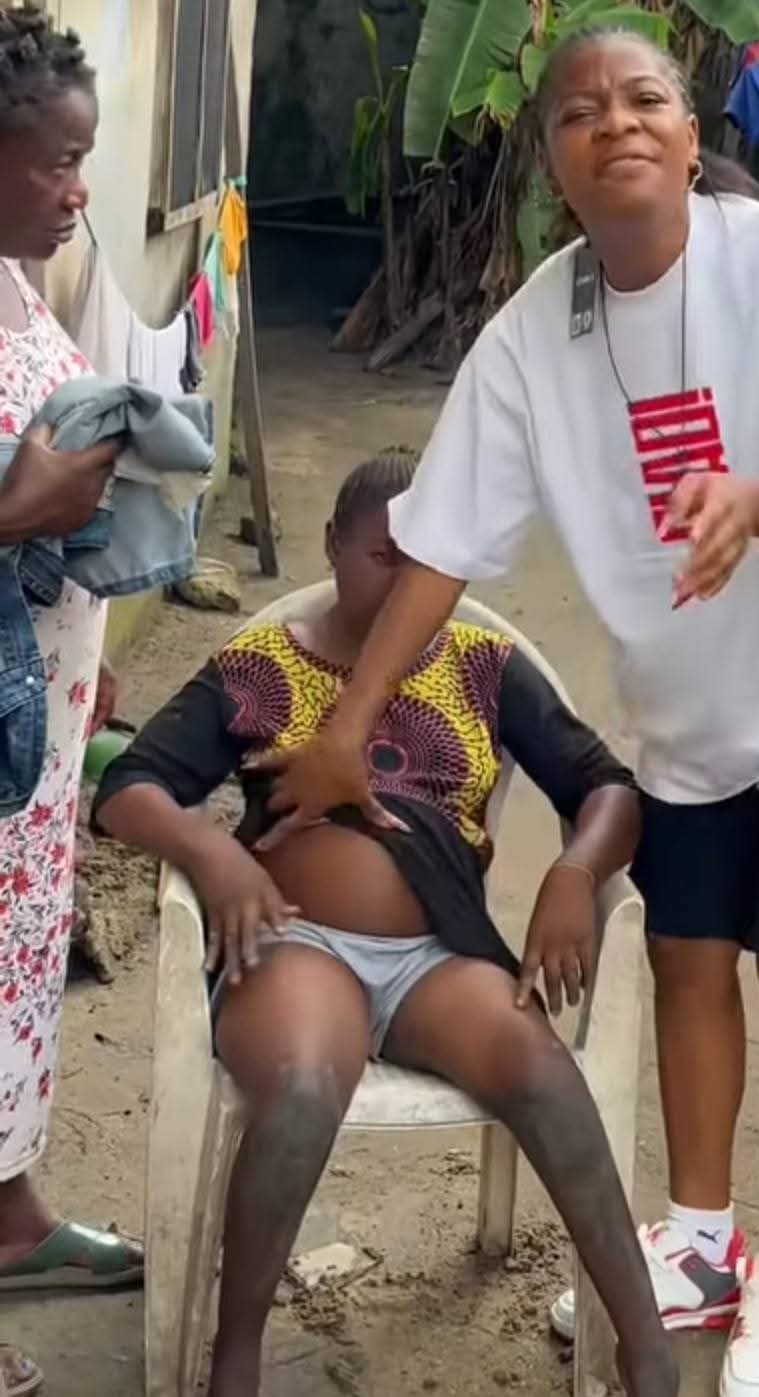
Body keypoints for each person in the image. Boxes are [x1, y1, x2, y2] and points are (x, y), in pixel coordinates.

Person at [249, 28, 759, 1397]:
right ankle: (699, 1238)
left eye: (646, 100)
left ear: (692, 139)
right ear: (554, 165)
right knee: (688, 955)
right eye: (581, 112)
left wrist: (754, 501)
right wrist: (348, 723)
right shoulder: (534, 337)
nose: (617, 123)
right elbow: (438, 545)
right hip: (694, 699)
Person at [93, 450, 678, 1397]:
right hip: (294, 941)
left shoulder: (483, 668)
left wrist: (575, 871)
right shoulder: (262, 667)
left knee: (541, 1069)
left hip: (435, 957)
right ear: (332, 547)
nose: (406, 583)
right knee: (302, 1084)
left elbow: (607, 786)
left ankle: (647, 1353)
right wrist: (213, 854)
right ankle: (235, 1358)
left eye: (427, 562)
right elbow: (129, 787)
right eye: (381, 557)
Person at [0, 9, 142, 1394]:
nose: (78, 189)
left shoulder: (16, 284)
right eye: (57, 161)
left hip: (34, 733)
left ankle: (10, 1214)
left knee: (19, 971)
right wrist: (13, 514)